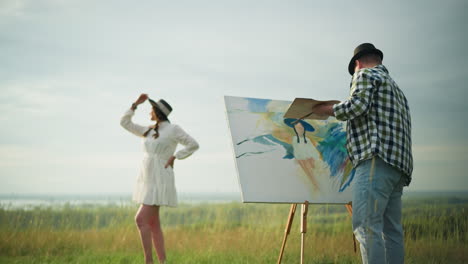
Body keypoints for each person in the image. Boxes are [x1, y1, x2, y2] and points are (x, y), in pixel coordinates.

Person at [313, 43, 413, 264]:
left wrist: (325, 110)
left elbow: (356, 107)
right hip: (398, 168)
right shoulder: (396, 89)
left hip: (375, 162)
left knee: (366, 227)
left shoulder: (365, 74)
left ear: (357, 63)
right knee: (392, 231)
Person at [120, 94, 199, 264]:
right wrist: (135, 105)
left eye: (151, 108)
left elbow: (193, 144)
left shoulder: (173, 129)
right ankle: (162, 262)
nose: (149, 111)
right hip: (147, 178)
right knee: (153, 222)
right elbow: (124, 123)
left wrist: (175, 156)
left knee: (141, 220)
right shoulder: (149, 130)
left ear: (157, 112)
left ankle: (149, 261)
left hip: (161, 178)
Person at [283, 118, 321, 191]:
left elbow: (312, 151)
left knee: (311, 165)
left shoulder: (307, 140)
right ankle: (315, 184)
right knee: (304, 165)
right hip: (301, 159)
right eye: (298, 128)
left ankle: (316, 184)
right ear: (295, 129)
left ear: (303, 129)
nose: (300, 130)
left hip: (309, 158)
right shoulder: (294, 139)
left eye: (301, 128)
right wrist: (299, 158)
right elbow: (297, 151)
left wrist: (311, 158)